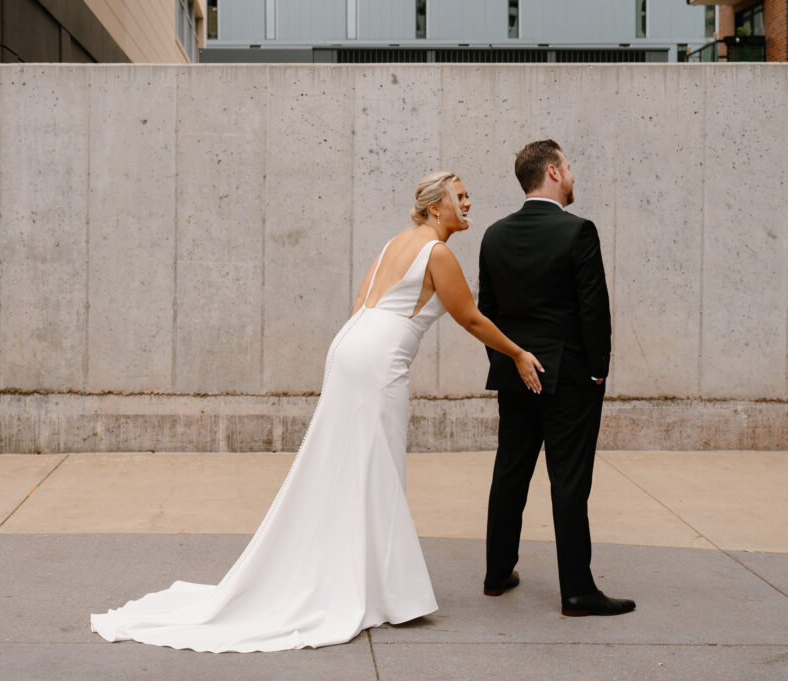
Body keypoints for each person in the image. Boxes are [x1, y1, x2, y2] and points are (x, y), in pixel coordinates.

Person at [91, 171, 543, 652]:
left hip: (353, 344)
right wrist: (517, 353)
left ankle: (368, 582)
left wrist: (361, 350)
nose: (469, 203)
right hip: (379, 360)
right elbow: (469, 316)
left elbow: (361, 301)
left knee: (354, 466)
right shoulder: (438, 252)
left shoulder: (397, 242)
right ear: (437, 208)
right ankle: (378, 590)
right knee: (376, 467)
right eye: (461, 196)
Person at [479, 140, 635, 617]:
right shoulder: (578, 232)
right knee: (568, 481)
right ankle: (577, 591)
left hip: (514, 374)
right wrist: (597, 372)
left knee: (510, 471)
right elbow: (594, 311)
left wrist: (510, 361)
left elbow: (487, 312)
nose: (572, 174)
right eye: (568, 166)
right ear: (552, 171)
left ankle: (497, 572)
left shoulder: (494, 235)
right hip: (567, 378)